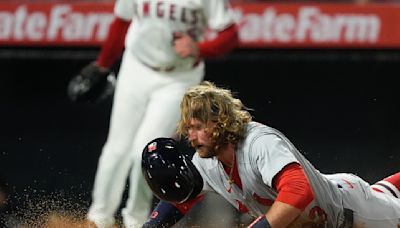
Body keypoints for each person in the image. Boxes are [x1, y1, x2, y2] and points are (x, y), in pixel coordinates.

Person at [67, 0, 240, 227]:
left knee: (146, 148)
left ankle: (136, 220)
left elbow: (231, 35)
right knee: (116, 148)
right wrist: (103, 64)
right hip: (136, 67)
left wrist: (200, 49)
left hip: (178, 77)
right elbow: (121, 23)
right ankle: (98, 218)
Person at [141, 81, 400, 228]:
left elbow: (300, 190)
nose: (191, 136)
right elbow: (181, 198)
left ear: (220, 122)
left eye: (198, 127)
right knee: (384, 191)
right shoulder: (207, 160)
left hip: (352, 214)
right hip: (322, 214)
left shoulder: (258, 143)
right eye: (188, 128)